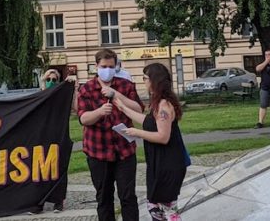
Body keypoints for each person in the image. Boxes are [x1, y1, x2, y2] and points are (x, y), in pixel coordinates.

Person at [78, 47, 144, 221]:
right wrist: (99, 112)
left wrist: (117, 95)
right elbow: (83, 118)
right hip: (98, 152)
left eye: (111, 66)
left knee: (128, 196)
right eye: (104, 66)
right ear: (96, 66)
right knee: (104, 198)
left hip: (124, 151)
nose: (107, 70)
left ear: (116, 67)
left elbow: (139, 109)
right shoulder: (87, 89)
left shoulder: (125, 85)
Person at [116, 63, 188, 221]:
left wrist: (136, 133)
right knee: (154, 207)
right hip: (158, 164)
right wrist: (123, 108)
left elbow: (163, 137)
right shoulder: (157, 103)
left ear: (154, 80)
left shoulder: (164, 105)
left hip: (169, 165)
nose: (143, 81)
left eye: (145, 78)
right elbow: (148, 121)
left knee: (168, 209)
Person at [30, 68, 68, 214]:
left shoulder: (61, 96)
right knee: (40, 168)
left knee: (58, 166)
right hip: (41, 136)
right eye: (48, 79)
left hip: (57, 135)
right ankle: (39, 201)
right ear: (43, 81)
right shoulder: (37, 96)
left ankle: (58, 201)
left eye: (54, 80)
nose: (51, 82)